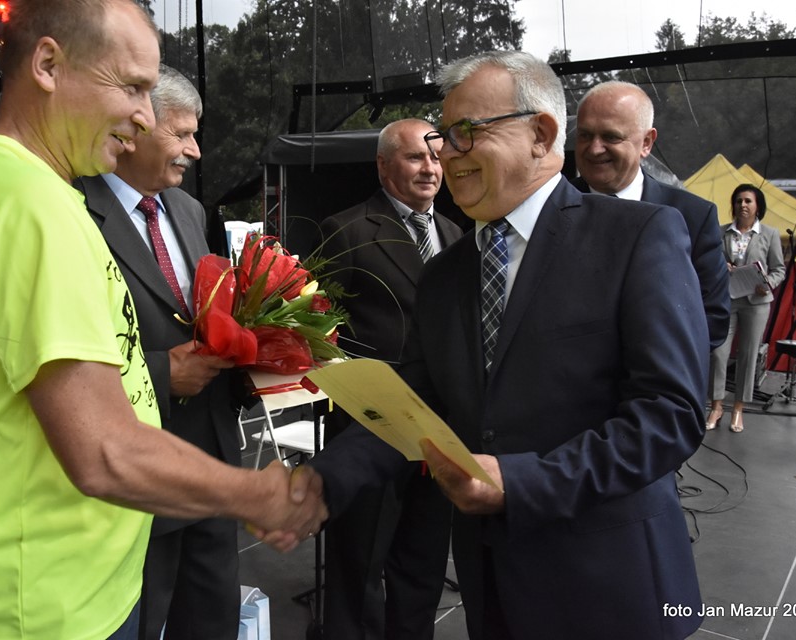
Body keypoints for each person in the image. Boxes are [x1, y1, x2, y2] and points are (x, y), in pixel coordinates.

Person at [0, 2, 324, 638]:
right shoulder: (24, 202)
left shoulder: (32, 193)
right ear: (48, 65)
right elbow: (103, 450)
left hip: (68, 594)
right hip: (37, 613)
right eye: (132, 87)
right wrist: (254, 494)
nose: (146, 117)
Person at [303, 50, 709, 640]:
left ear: (541, 133)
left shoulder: (636, 237)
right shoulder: (444, 275)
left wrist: (521, 483)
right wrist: (319, 481)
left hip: (610, 585)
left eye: (466, 132)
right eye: (443, 136)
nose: (446, 153)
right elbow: (415, 403)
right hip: (491, 585)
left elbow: (670, 415)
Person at [77, 64, 243, 640]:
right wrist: (157, 375)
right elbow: (75, 348)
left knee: (213, 618)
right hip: (140, 466)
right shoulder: (72, 209)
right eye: (183, 134)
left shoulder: (190, 211)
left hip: (212, 459)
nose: (195, 151)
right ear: (138, 126)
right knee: (143, 620)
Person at [317, 118, 464, 640]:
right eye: (416, 157)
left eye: (437, 158)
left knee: (422, 565)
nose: (430, 168)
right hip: (370, 428)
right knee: (358, 566)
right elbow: (317, 327)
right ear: (383, 166)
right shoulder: (347, 230)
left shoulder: (456, 235)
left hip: (439, 432)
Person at [573, 80, 730, 349]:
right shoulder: (548, 209)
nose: (594, 148)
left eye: (611, 137)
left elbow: (712, 321)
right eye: (585, 135)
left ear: (646, 142)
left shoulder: (692, 216)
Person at [707, 184, 786, 432]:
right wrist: (722, 267)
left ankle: (738, 408)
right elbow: (709, 262)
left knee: (748, 355)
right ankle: (716, 406)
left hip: (756, 302)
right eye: (739, 200)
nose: (743, 205)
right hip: (727, 299)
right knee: (718, 353)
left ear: (757, 206)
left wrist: (768, 283)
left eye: (748, 201)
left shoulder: (770, 234)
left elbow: (779, 269)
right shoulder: (721, 232)